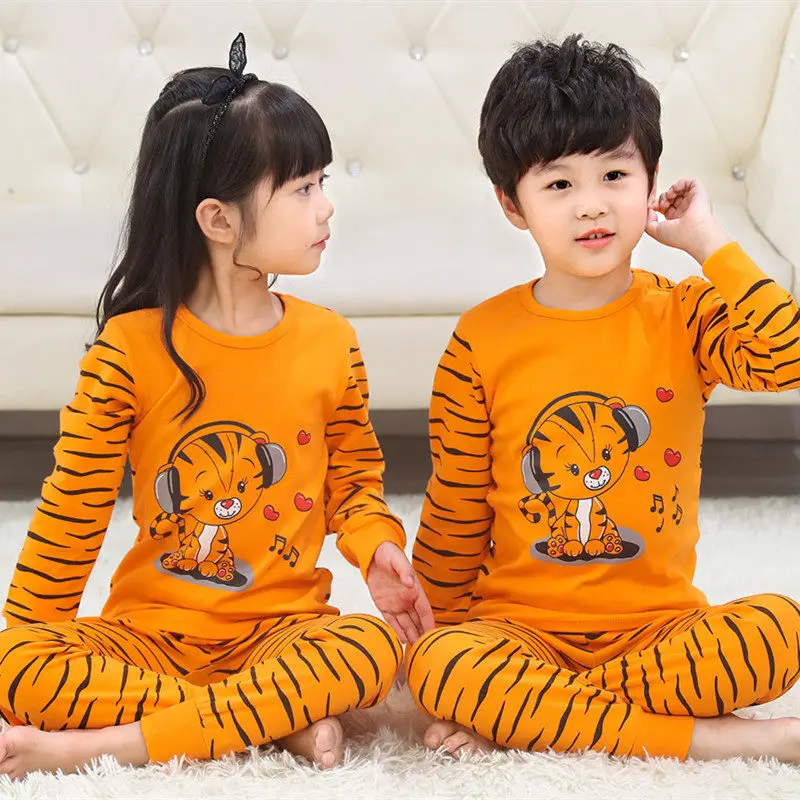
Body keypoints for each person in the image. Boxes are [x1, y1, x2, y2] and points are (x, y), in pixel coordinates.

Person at [0, 33, 432, 780]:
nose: (327, 207)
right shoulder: (128, 351)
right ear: (219, 220)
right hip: (149, 637)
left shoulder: (331, 341)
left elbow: (355, 484)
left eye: (322, 182)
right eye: (302, 190)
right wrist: (24, 650)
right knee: (15, 663)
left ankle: (111, 745)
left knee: (366, 651)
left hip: (282, 633)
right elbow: (72, 514)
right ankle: (272, 719)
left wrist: (376, 548)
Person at [406, 34, 800, 763]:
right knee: (441, 666)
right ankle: (714, 741)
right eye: (558, 185)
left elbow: (788, 356)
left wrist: (707, 241)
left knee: (779, 631)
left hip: (660, 631)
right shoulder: (480, 338)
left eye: (615, 174)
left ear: (649, 181)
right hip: (519, 631)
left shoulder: (685, 314)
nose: (591, 206)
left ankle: (539, 715)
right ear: (512, 204)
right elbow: (456, 508)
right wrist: (436, 641)